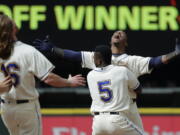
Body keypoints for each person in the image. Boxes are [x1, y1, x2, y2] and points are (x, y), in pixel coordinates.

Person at [33, 30, 180, 131]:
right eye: (115, 33)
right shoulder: (99, 56)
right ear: (110, 40)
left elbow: (156, 61)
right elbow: (74, 55)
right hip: (109, 111)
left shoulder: (132, 61)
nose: (118, 33)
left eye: (122, 34)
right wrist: (53, 50)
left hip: (128, 109)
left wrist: (175, 53)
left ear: (126, 43)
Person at [0, 14, 85, 135]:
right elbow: (49, 78)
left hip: (6, 108)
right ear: (13, 29)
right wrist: (69, 82)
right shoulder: (27, 51)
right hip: (26, 107)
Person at [87, 45, 144, 135]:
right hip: (116, 119)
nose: (94, 60)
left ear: (99, 60)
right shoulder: (122, 71)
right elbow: (139, 89)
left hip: (98, 122)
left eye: (94, 58)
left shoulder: (90, 75)